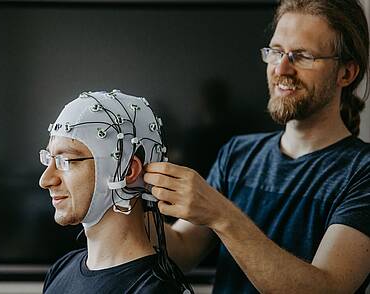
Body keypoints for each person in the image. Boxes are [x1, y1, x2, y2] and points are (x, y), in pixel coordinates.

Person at [144, 0, 370, 292]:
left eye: (301, 56)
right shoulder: (237, 153)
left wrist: (221, 214)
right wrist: (126, 200)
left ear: (346, 73)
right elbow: (182, 251)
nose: (281, 68)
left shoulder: (361, 172)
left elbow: (326, 288)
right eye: (276, 51)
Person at [38, 90, 193, 293]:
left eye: (65, 160)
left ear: (127, 170)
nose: (45, 180)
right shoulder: (61, 269)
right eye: (49, 159)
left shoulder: (154, 290)